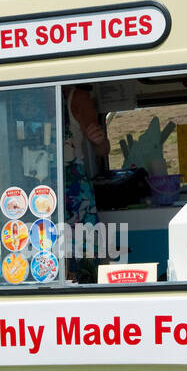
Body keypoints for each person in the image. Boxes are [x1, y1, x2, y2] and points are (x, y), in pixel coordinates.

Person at [62, 86, 110, 282]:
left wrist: (98, 140)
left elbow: (103, 148)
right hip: (39, 187)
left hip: (73, 189)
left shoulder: (77, 98)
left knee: (86, 253)